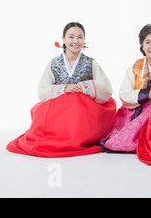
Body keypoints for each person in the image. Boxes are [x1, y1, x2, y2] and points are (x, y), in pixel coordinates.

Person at [7, 22, 116, 158]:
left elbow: (106, 88)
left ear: (84, 40)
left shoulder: (91, 63)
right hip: (59, 112)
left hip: (83, 114)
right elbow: (42, 90)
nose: (75, 41)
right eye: (71, 37)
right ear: (63, 39)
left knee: (77, 104)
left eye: (80, 37)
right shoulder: (54, 64)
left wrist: (85, 87)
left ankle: (79, 137)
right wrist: (63, 89)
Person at [100, 24, 151, 153]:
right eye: (147, 42)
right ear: (142, 46)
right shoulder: (135, 67)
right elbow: (124, 94)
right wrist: (148, 94)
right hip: (138, 110)